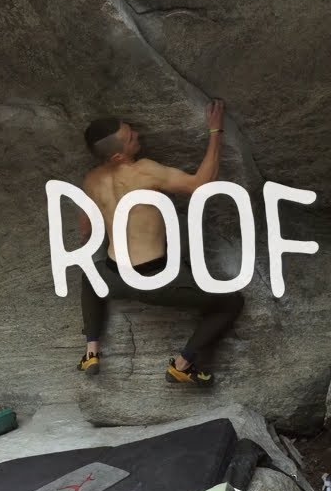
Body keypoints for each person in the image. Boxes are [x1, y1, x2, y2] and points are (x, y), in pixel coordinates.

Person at [76, 99, 244, 386]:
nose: (138, 136)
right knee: (230, 301)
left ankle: (91, 351)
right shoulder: (145, 171)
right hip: (156, 280)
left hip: (115, 276)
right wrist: (216, 132)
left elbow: (85, 232)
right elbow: (200, 185)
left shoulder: (91, 180)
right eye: (130, 138)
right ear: (117, 157)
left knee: (90, 275)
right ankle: (183, 364)